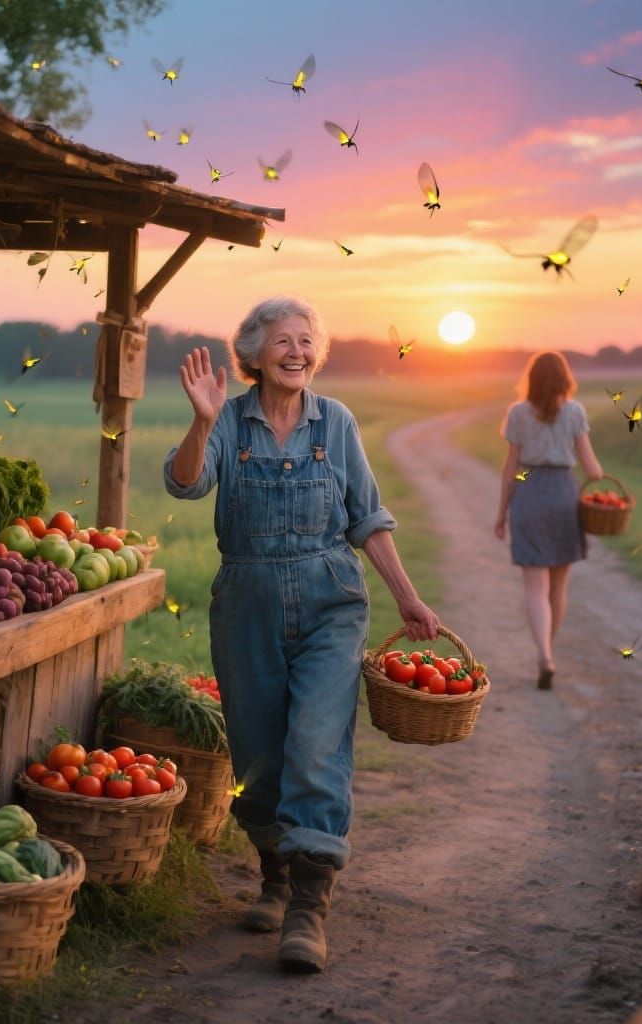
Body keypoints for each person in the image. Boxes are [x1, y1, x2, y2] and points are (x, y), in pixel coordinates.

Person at [164, 296, 438, 972]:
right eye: (282, 340)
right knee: (258, 759)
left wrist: (407, 597)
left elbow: (366, 516)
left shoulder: (335, 422)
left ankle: (309, 907)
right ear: (253, 356)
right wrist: (202, 421)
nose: (297, 351)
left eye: (306, 340)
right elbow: (185, 484)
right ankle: (274, 875)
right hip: (247, 605)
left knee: (315, 746)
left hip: (329, 603)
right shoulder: (228, 420)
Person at [494, 351, 603, 690]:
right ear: (564, 379)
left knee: (534, 589)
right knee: (558, 586)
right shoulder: (575, 411)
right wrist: (597, 477)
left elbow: (511, 469)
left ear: (532, 379)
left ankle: (543, 654)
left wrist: (501, 513)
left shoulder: (518, 413)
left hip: (528, 490)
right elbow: (593, 469)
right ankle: (549, 653)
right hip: (563, 494)